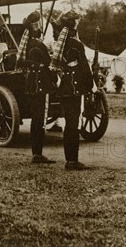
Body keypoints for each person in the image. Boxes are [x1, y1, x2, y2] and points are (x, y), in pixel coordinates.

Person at [50, 10, 94, 170]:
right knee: (73, 125)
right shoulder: (76, 44)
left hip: (64, 88)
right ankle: (72, 161)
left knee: (69, 124)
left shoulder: (60, 44)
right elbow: (84, 68)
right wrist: (90, 86)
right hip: (75, 88)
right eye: (77, 22)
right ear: (74, 24)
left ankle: (70, 159)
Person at [16, 11, 57, 164]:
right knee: (41, 120)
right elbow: (48, 65)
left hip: (32, 85)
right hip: (41, 85)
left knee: (36, 119)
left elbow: (24, 62)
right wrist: (54, 78)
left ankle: (36, 153)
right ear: (36, 26)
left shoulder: (29, 44)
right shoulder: (39, 45)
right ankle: (38, 154)